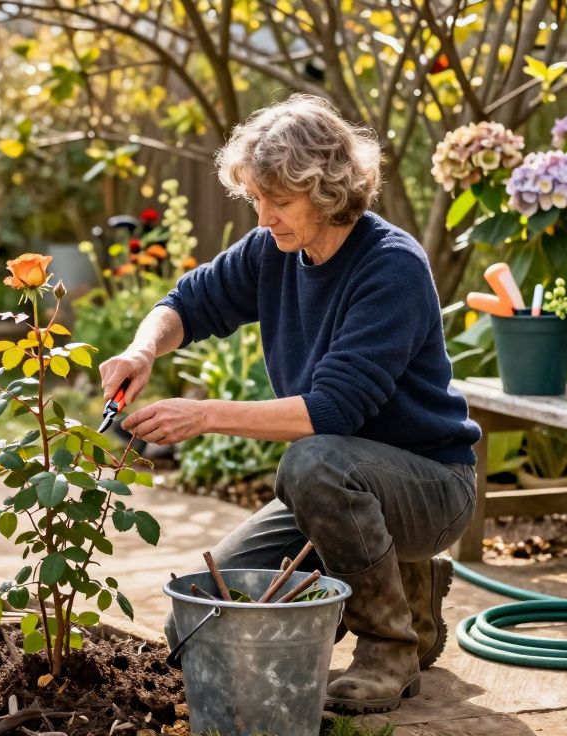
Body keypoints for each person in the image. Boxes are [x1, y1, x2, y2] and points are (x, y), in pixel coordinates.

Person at [98, 95, 481, 715]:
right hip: (339, 486)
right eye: (256, 198)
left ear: (327, 190)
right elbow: (186, 304)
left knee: (312, 463)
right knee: (203, 620)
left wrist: (202, 414)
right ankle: (410, 587)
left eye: (280, 199)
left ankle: (389, 648)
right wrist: (142, 351)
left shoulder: (391, 269)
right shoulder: (271, 251)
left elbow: (331, 411)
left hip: (430, 486)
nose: (264, 215)